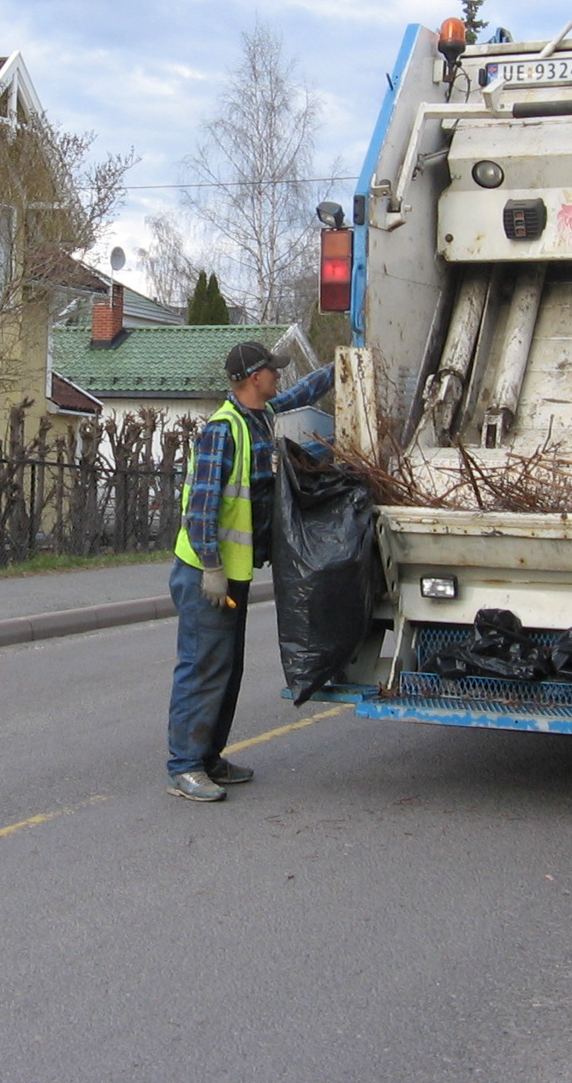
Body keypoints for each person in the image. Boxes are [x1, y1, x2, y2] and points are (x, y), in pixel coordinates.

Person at [166, 341, 334, 801]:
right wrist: (211, 568)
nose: (278, 377)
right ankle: (184, 767)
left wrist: (345, 363)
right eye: (272, 372)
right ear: (254, 377)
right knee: (202, 669)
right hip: (207, 575)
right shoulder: (224, 430)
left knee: (225, 669)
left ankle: (208, 758)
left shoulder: (258, 417)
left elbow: (302, 392)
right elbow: (202, 508)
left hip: (231, 573)